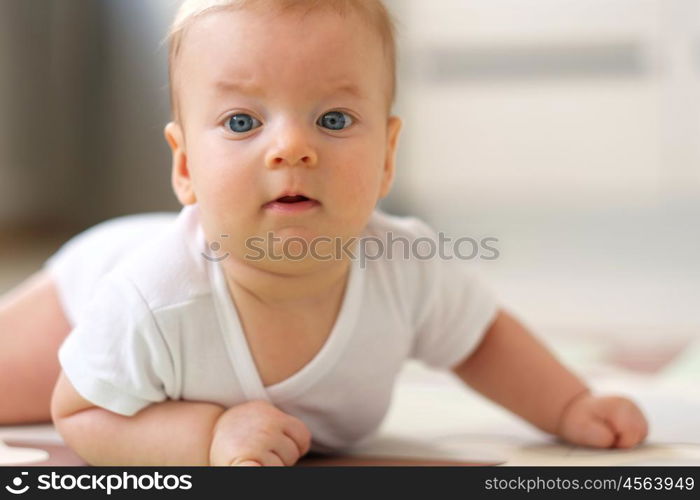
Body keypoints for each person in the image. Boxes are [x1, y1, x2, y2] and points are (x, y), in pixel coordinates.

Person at [0, 0, 647, 466]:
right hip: (82, 294)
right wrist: (207, 438)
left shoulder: (406, 266)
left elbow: (480, 339)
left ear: (389, 154)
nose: (291, 148)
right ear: (185, 165)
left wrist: (568, 407)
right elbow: (82, 412)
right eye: (242, 122)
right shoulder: (150, 297)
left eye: (334, 119)